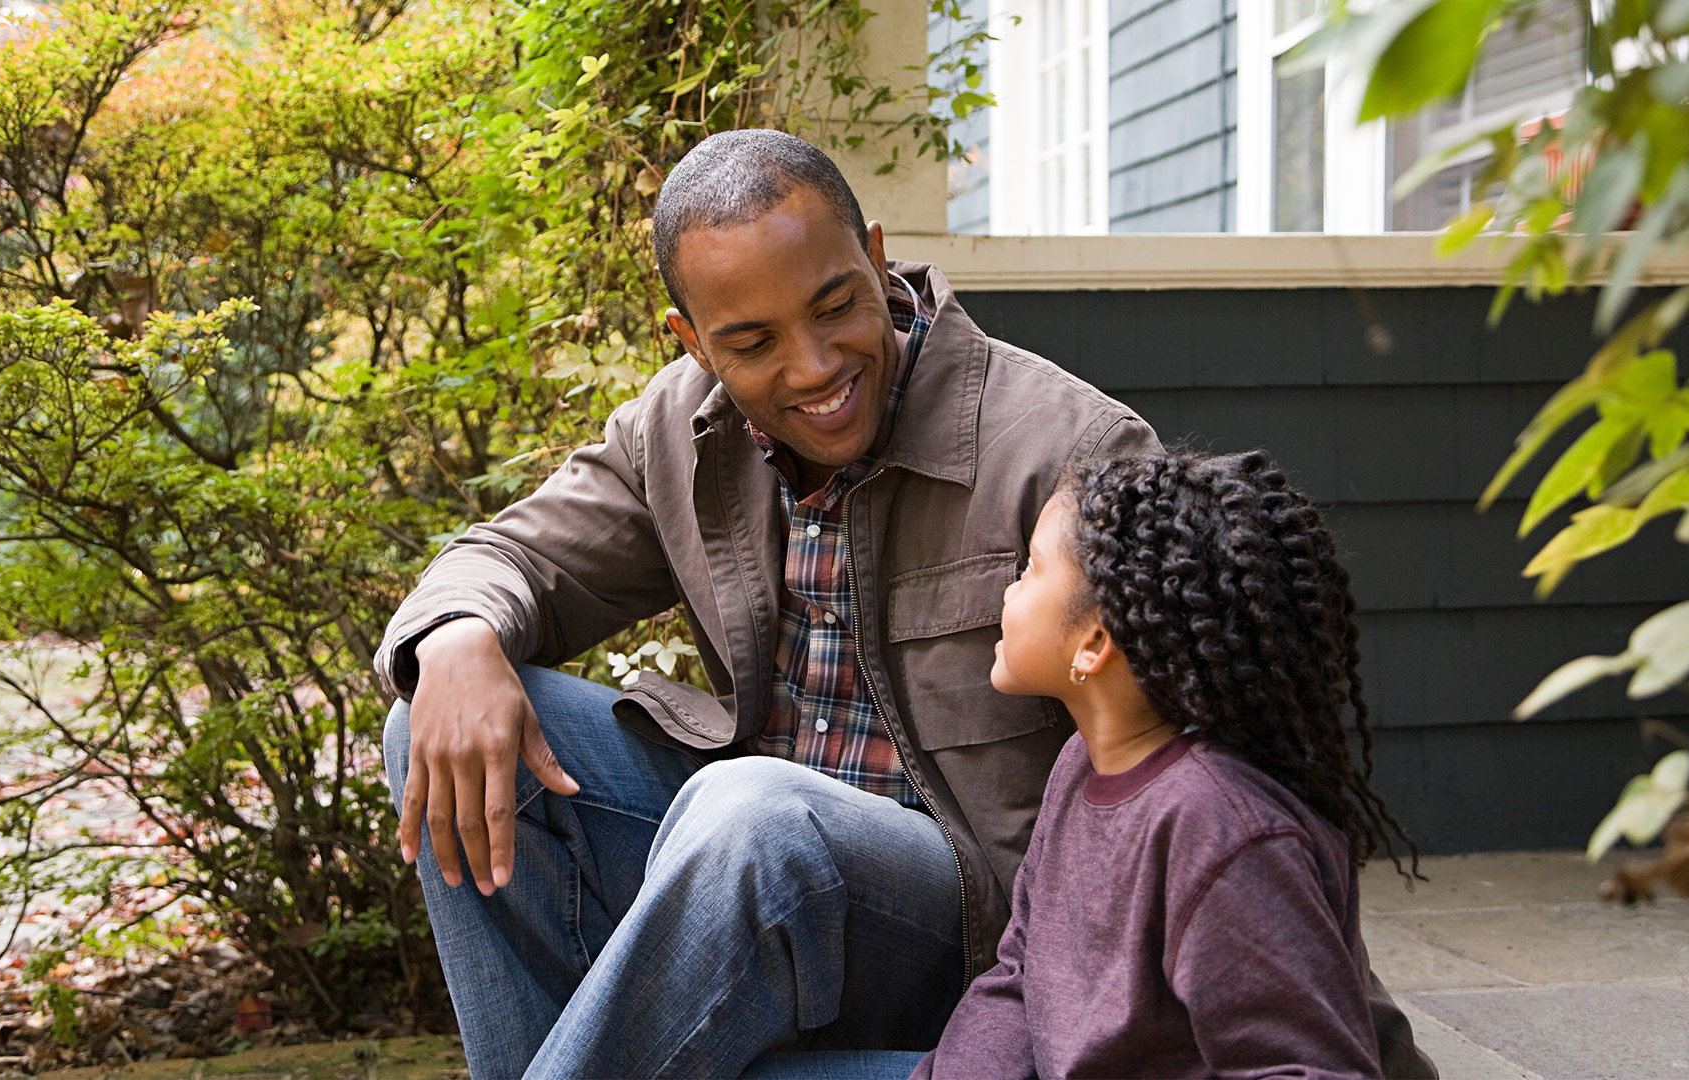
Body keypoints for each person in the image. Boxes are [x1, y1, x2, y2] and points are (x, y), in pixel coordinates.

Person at [374, 129, 1435, 1079]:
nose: (815, 365)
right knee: (438, 720)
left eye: (836, 304)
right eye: (751, 342)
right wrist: (459, 634)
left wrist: (1350, 1041)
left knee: (755, 817)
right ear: (692, 340)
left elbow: (1236, 787)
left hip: (980, 947)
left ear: (877, 257)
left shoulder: (1067, 453)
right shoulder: (680, 434)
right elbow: (508, 554)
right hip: (755, 897)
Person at [912, 452, 1423, 1079]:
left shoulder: (1220, 830)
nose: (1007, 590)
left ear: (1095, 643)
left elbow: (1310, 1069)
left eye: (1030, 570)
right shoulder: (1081, 766)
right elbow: (1020, 975)